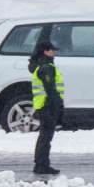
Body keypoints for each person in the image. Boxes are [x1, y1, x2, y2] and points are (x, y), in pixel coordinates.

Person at [28, 38, 65, 177]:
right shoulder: (46, 68)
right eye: (52, 50)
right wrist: (57, 105)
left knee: (44, 136)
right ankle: (42, 165)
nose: (54, 52)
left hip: (44, 105)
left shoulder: (42, 66)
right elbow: (50, 89)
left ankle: (41, 163)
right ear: (45, 51)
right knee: (46, 137)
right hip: (47, 105)